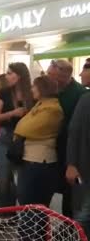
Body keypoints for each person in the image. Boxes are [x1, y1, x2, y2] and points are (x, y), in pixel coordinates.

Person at [14, 76, 63, 241]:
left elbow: (23, 127)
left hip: (39, 160)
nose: (32, 90)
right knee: (33, 201)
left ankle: (28, 239)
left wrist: (22, 125)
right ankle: (35, 237)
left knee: (31, 200)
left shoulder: (52, 109)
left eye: (34, 87)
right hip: (32, 158)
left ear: (42, 88)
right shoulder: (41, 105)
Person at [47, 59, 87, 218]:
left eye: (51, 75)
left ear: (62, 76)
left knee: (71, 192)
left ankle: (70, 228)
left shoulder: (80, 94)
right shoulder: (52, 90)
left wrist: (73, 162)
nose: (48, 77)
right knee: (50, 187)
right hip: (51, 148)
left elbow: (77, 129)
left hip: (69, 150)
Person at [0, 62, 34, 207]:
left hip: (25, 137)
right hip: (6, 135)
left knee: (22, 177)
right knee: (4, 177)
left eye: (10, 73)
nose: (7, 76)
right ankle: (3, 213)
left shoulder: (31, 94)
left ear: (19, 76)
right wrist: (12, 113)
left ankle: (17, 210)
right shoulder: (4, 93)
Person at [67, 90, 90, 240]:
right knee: (83, 216)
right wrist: (71, 164)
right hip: (85, 169)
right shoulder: (86, 100)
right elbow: (74, 132)